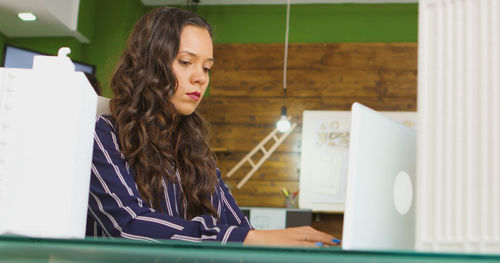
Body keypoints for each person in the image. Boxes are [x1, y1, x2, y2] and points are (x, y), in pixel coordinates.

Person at [86, 6, 339, 247]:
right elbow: (129, 225)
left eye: (207, 67)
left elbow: (237, 225)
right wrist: (248, 239)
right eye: (186, 62)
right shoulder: (103, 134)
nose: (201, 77)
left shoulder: (193, 148)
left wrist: (276, 242)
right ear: (149, 64)